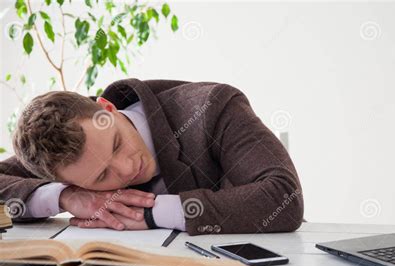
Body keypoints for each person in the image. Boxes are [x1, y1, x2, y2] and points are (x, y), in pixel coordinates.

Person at [0, 78, 303, 235]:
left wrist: (150, 213)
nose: (128, 167)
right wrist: (65, 197)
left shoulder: (214, 107)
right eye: (101, 176)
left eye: (117, 144)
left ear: (107, 109)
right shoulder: (60, 163)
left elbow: (283, 197)